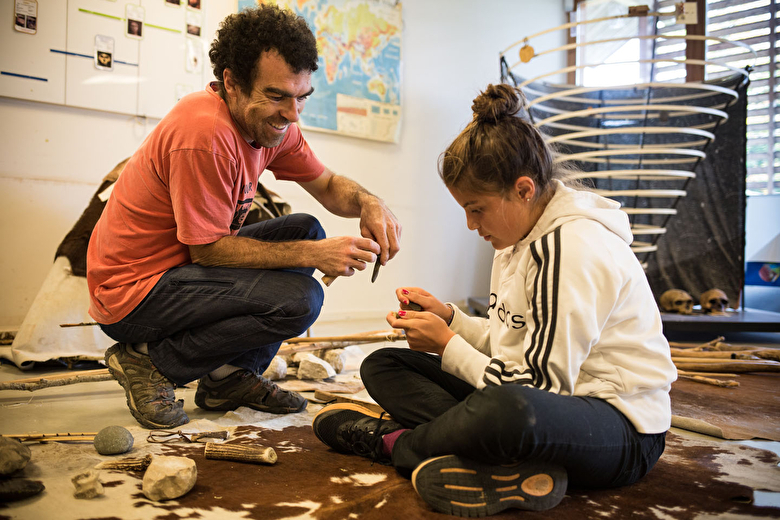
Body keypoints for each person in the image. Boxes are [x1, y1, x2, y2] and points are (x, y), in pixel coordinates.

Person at [312, 84, 676, 517]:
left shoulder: (571, 248)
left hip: (620, 430)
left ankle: (396, 445)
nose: (470, 224)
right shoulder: (515, 241)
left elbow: (536, 388)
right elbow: (513, 341)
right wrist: (452, 319)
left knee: (506, 410)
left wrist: (449, 346)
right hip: (543, 402)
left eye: (477, 208)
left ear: (523, 190)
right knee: (384, 364)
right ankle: (500, 462)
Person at [87, 5, 400, 430]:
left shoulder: (272, 126)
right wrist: (318, 254)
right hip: (132, 295)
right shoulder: (205, 133)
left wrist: (369, 202)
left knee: (305, 227)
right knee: (301, 299)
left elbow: (326, 185)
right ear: (231, 82)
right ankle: (149, 363)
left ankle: (228, 378)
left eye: (300, 98)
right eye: (276, 96)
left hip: (179, 273)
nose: (292, 114)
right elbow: (209, 252)